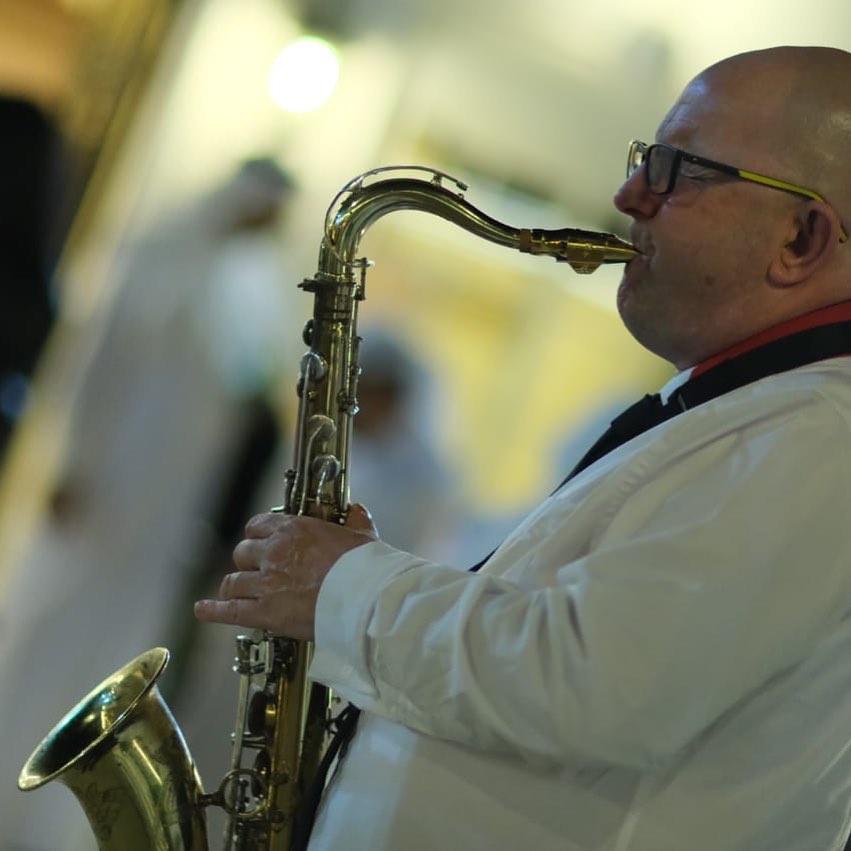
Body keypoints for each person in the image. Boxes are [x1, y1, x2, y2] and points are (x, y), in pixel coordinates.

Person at [194, 45, 851, 850]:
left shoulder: (822, 435)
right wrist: (367, 579)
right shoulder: (764, 414)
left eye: (679, 169)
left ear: (800, 237)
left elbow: (593, 681)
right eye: (646, 158)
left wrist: (343, 586)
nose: (628, 195)